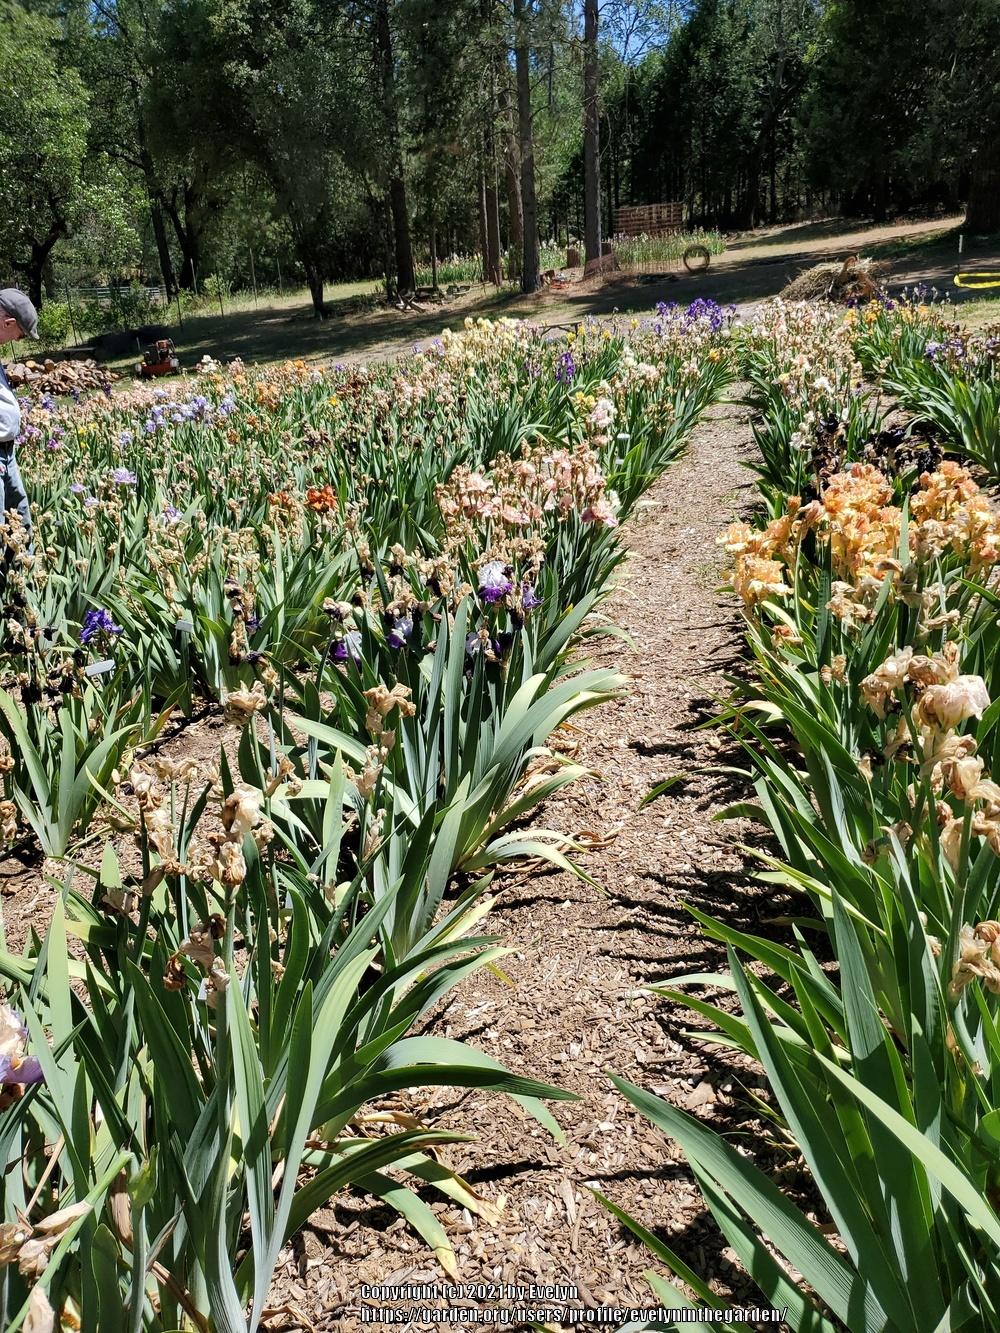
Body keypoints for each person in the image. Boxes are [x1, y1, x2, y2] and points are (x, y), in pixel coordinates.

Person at [0, 288, 39, 542]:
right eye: (20, 334)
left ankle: (22, 579)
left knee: (19, 526)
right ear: (8, 322)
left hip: (7, 453)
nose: (17, 339)